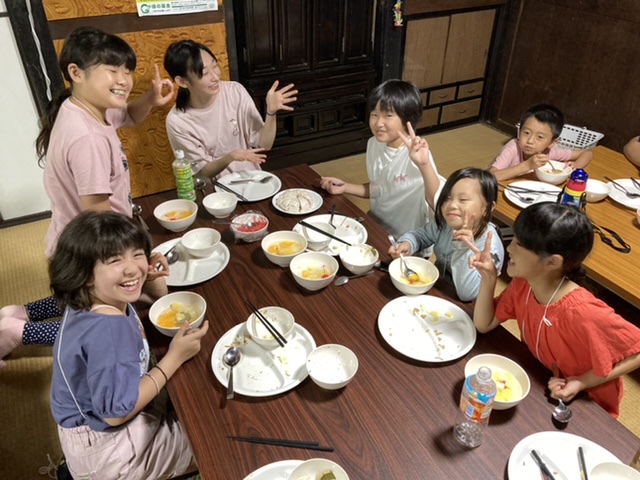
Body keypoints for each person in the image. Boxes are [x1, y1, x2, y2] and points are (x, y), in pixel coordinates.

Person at [0, 26, 174, 367]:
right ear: (76, 72)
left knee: (79, 298)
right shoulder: (87, 138)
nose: (123, 80)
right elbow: (99, 217)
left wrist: (151, 99)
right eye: (112, 70)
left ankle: (19, 312)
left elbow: (128, 115)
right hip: (92, 249)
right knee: (102, 327)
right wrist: (136, 259)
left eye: (127, 70)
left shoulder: (84, 107)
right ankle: (17, 331)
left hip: (72, 244)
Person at [50, 211, 208, 479]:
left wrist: (148, 275)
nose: (132, 267)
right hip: (109, 451)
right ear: (85, 274)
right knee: (213, 435)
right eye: (115, 260)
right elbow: (115, 415)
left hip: (89, 425)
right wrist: (174, 357)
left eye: (137, 254)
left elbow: (157, 299)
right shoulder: (109, 331)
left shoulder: (91, 297)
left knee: (189, 396)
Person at [467, 202, 640, 418]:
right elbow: (484, 324)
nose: (509, 248)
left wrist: (581, 381)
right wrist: (489, 279)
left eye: (520, 244)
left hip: (587, 401)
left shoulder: (584, 312)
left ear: (552, 262)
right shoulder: (524, 283)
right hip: (543, 379)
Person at [319, 79, 444, 241]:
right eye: (374, 114)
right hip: (377, 227)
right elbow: (381, 189)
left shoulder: (418, 155)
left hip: (408, 241)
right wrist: (345, 187)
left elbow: (438, 203)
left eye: (388, 115)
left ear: (408, 118)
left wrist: (424, 165)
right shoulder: (374, 143)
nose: (378, 123)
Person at [163, 39, 297, 180]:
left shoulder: (235, 91)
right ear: (182, 81)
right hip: (215, 188)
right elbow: (202, 173)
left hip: (251, 179)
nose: (215, 77)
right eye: (205, 72)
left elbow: (265, 144)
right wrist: (230, 157)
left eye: (215, 66)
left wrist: (271, 112)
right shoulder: (178, 121)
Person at [388, 167, 504, 302]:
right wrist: (408, 243)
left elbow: (467, 293)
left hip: (467, 305)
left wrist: (463, 247)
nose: (452, 205)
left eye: (463, 199)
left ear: (487, 208)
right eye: (447, 198)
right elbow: (421, 236)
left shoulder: (490, 247)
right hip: (439, 288)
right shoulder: (446, 224)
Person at [489, 104, 593, 181]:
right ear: (519, 131)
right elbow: (491, 176)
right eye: (526, 133)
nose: (530, 141)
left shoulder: (548, 152)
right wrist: (527, 165)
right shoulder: (513, 148)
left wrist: (575, 167)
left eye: (539, 137)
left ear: (552, 142)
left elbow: (587, 153)